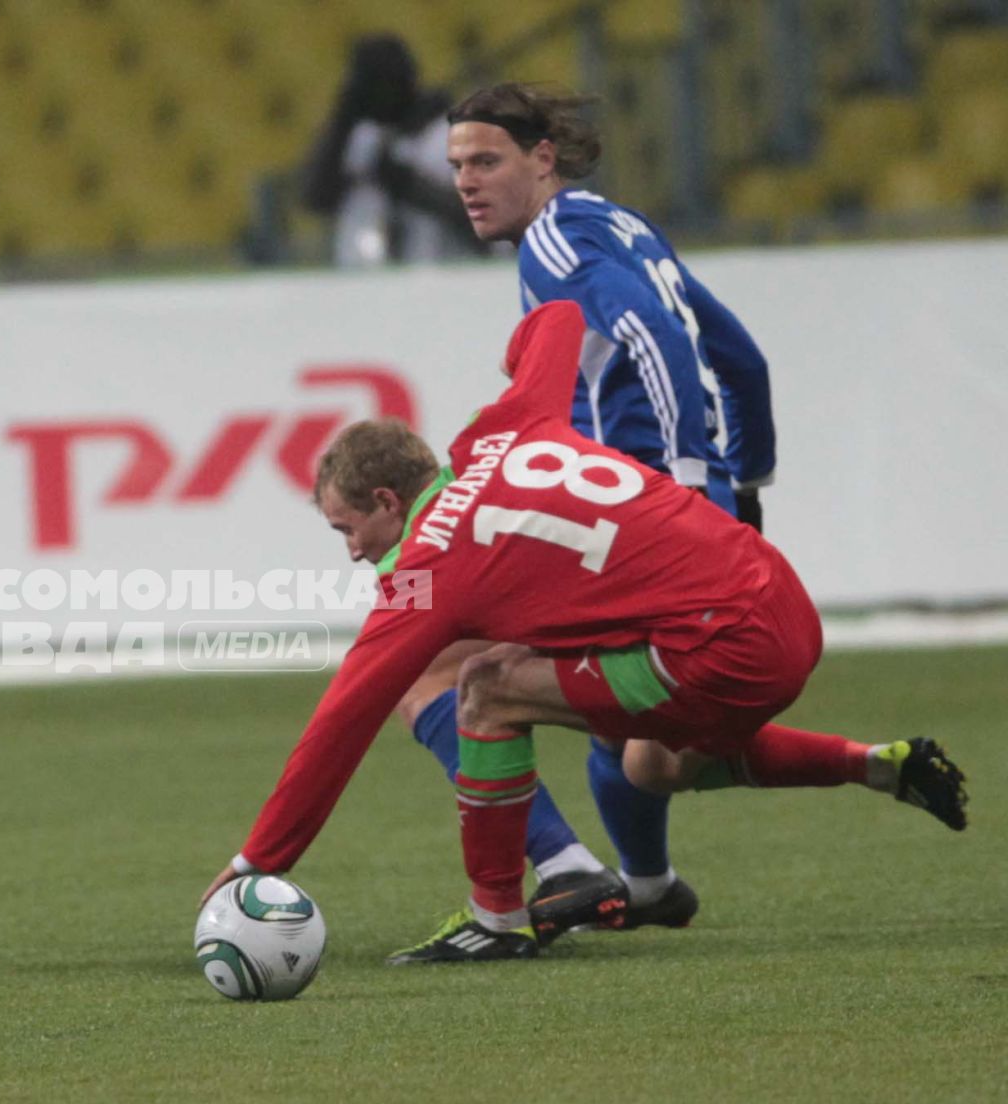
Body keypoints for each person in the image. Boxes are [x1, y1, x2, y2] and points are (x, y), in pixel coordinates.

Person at [199, 301, 966, 963]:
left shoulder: (429, 568)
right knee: (652, 763)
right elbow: (560, 320)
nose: (353, 549)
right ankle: (875, 765)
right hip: (781, 603)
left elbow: (344, 715)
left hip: (713, 646)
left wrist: (258, 858)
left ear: (385, 498)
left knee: (486, 690)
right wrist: (512, 360)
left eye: (348, 528)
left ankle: (495, 915)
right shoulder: (508, 423)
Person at [440, 82, 781, 927]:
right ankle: (651, 884)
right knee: (646, 755)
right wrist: (749, 482)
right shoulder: (625, 225)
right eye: (456, 166)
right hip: (681, 513)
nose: (467, 182)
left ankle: (543, 882)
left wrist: (690, 480)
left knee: (446, 667)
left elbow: (654, 338)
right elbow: (740, 357)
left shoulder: (554, 241)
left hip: (636, 522)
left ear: (542, 159)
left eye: (487, 161)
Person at [299, 35, 489, 267]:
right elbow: (315, 199)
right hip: (361, 280)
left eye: (388, 81)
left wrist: (410, 186)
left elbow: (481, 223)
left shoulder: (446, 135)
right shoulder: (355, 136)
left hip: (435, 275)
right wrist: (344, 117)